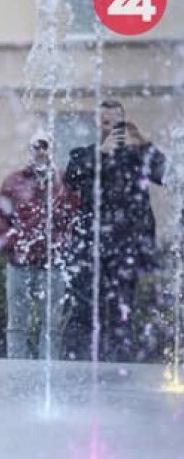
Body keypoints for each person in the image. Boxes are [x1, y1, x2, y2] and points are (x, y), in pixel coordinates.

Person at [63, 99, 168, 362]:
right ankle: (82, 368)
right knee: (86, 310)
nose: (111, 129)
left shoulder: (136, 157)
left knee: (122, 311)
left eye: (116, 123)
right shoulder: (84, 154)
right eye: (105, 122)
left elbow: (166, 174)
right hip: (91, 246)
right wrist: (101, 152)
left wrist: (142, 140)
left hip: (125, 248)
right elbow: (71, 178)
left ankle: (118, 370)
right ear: (97, 125)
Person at [0, 130, 77, 359]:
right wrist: (13, 244)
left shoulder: (64, 182)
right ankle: (16, 367)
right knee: (17, 322)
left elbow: (73, 218)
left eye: (44, 146)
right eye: (36, 147)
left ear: (52, 149)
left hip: (52, 263)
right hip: (19, 263)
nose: (40, 151)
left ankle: (48, 367)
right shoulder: (13, 181)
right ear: (29, 150)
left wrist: (61, 244)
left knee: (52, 325)